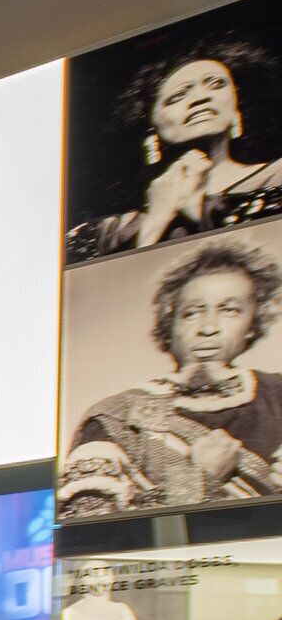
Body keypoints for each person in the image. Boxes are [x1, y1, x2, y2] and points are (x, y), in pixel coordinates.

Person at [66, 242, 282, 510]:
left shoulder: (277, 393)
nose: (208, 328)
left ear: (253, 324)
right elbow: (87, 521)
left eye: (230, 310)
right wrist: (200, 477)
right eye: (192, 313)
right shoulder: (115, 416)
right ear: (170, 325)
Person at [73, 42, 282, 258]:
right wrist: (158, 217)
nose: (201, 98)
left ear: (236, 107)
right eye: (178, 96)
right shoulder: (110, 230)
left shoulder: (277, 176)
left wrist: (199, 214)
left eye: (217, 84)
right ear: (151, 128)